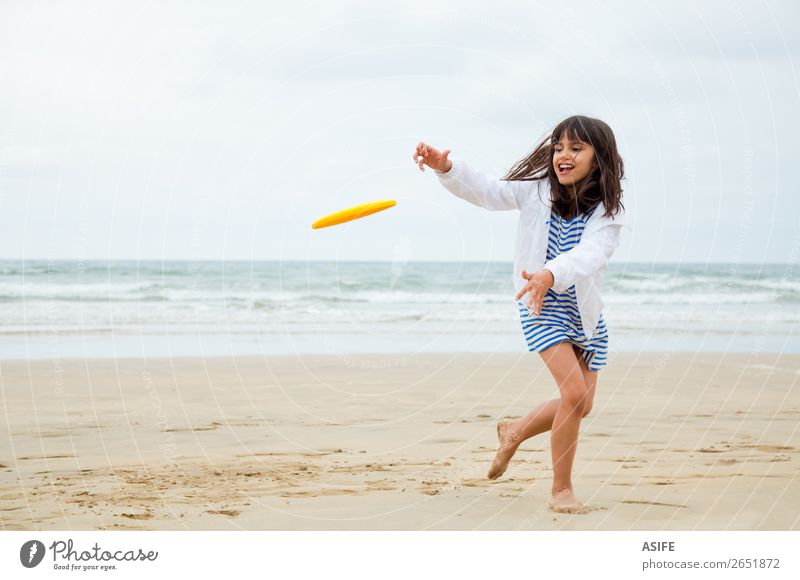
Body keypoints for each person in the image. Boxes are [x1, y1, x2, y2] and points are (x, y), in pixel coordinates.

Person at [413, 115, 632, 514]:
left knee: (582, 405)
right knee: (573, 395)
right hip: (539, 304)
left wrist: (553, 272)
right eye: (559, 147)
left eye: (576, 148)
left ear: (598, 159)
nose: (564, 156)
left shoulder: (608, 212)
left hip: (584, 313)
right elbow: (489, 191)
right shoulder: (536, 192)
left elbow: (591, 255)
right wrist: (447, 167)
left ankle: (513, 431)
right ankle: (561, 489)